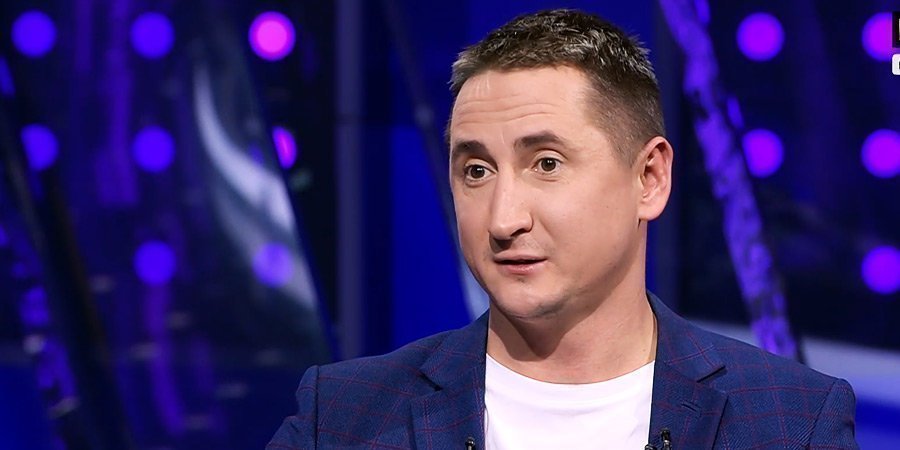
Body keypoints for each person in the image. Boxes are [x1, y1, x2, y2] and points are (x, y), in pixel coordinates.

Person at [268, 9, 857, 449]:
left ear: (649, 179)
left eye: (546, 164)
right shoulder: (341, 418)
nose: (504, 219)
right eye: (476, 171)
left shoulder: (791, 422)